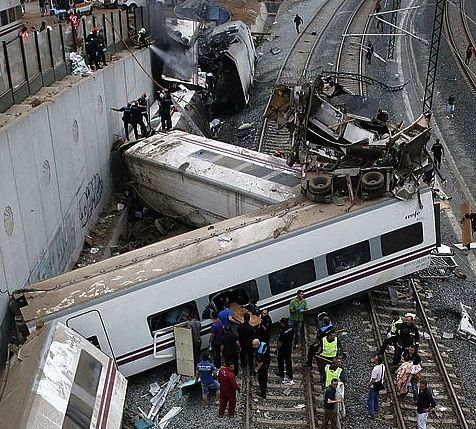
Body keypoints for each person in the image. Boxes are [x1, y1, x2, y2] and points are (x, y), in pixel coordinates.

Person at [276, 317, 294, 384]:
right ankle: (290, 374)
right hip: (289, 347)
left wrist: (277, 349)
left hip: (282, 349)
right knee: (288, 361)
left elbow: (280, 343)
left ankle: (281, 373)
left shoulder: (282, 332)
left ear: (283, 324)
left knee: (280, 361)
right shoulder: (292, 328)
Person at [367, 354, 385, 419]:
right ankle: (376, 409)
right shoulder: (383, 366)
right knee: (376, 397)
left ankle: (371, 414)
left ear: (377, 361)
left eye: (375, 358)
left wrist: (368, 385)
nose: (374, 358)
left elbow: (373, 380)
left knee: (370, 399)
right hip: (379, 384)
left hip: (374, 386)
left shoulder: (375, 369)